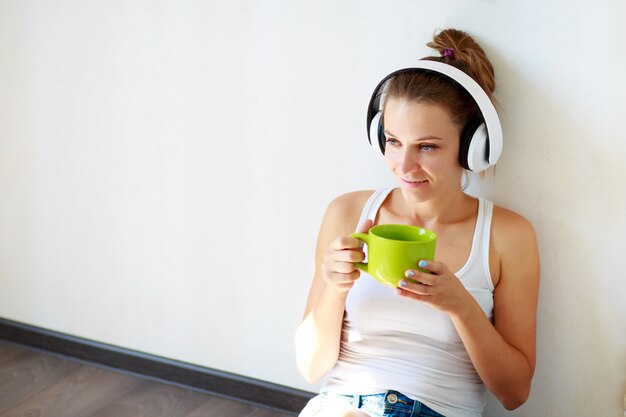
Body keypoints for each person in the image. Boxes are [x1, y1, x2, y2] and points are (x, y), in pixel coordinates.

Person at [294, 28, 540, 417]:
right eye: (393, 142)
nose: (404, 167)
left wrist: (461, 305)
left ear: (473, 146)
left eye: (426, 146)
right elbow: (311, 368)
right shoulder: (347, 213)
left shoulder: (507, 236)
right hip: (339, 406)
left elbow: (514, 393)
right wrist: (334, 286)